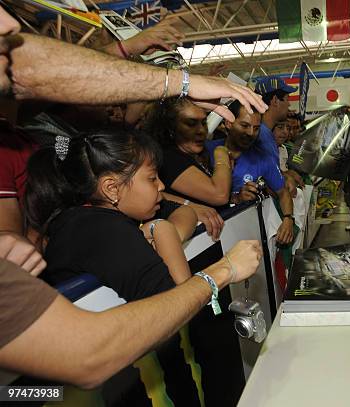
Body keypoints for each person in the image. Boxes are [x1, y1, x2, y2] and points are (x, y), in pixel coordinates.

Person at [0, 4, 263, 387]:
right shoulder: (96, 228)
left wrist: (172, 77)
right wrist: (220, 270)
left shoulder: (57, 156)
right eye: (153, 178)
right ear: (109, 187)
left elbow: (38, 69)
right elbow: (101, 346)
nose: (9, 23)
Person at [209, 101, 295, 245]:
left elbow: (283, 192)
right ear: (229, 123)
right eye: (244, 126)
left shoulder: (263, 158)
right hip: (207, 237)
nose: (250, 133)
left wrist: (288, 219)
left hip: (242, 235)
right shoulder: (206, 152)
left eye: (256, 128)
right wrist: (235, 198)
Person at [146, 97, 232, 240]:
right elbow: (219, 195)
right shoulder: (169, 158)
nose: (201, 131)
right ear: (171, 127)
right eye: (191, 124)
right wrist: (222, 155)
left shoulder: (195, 154)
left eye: (203, 123)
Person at [255, 76, 304, 194]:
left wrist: (284, 174)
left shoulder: (266, 135)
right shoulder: (262, 137)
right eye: (287, 99)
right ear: (275, 101)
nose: (288, 104)